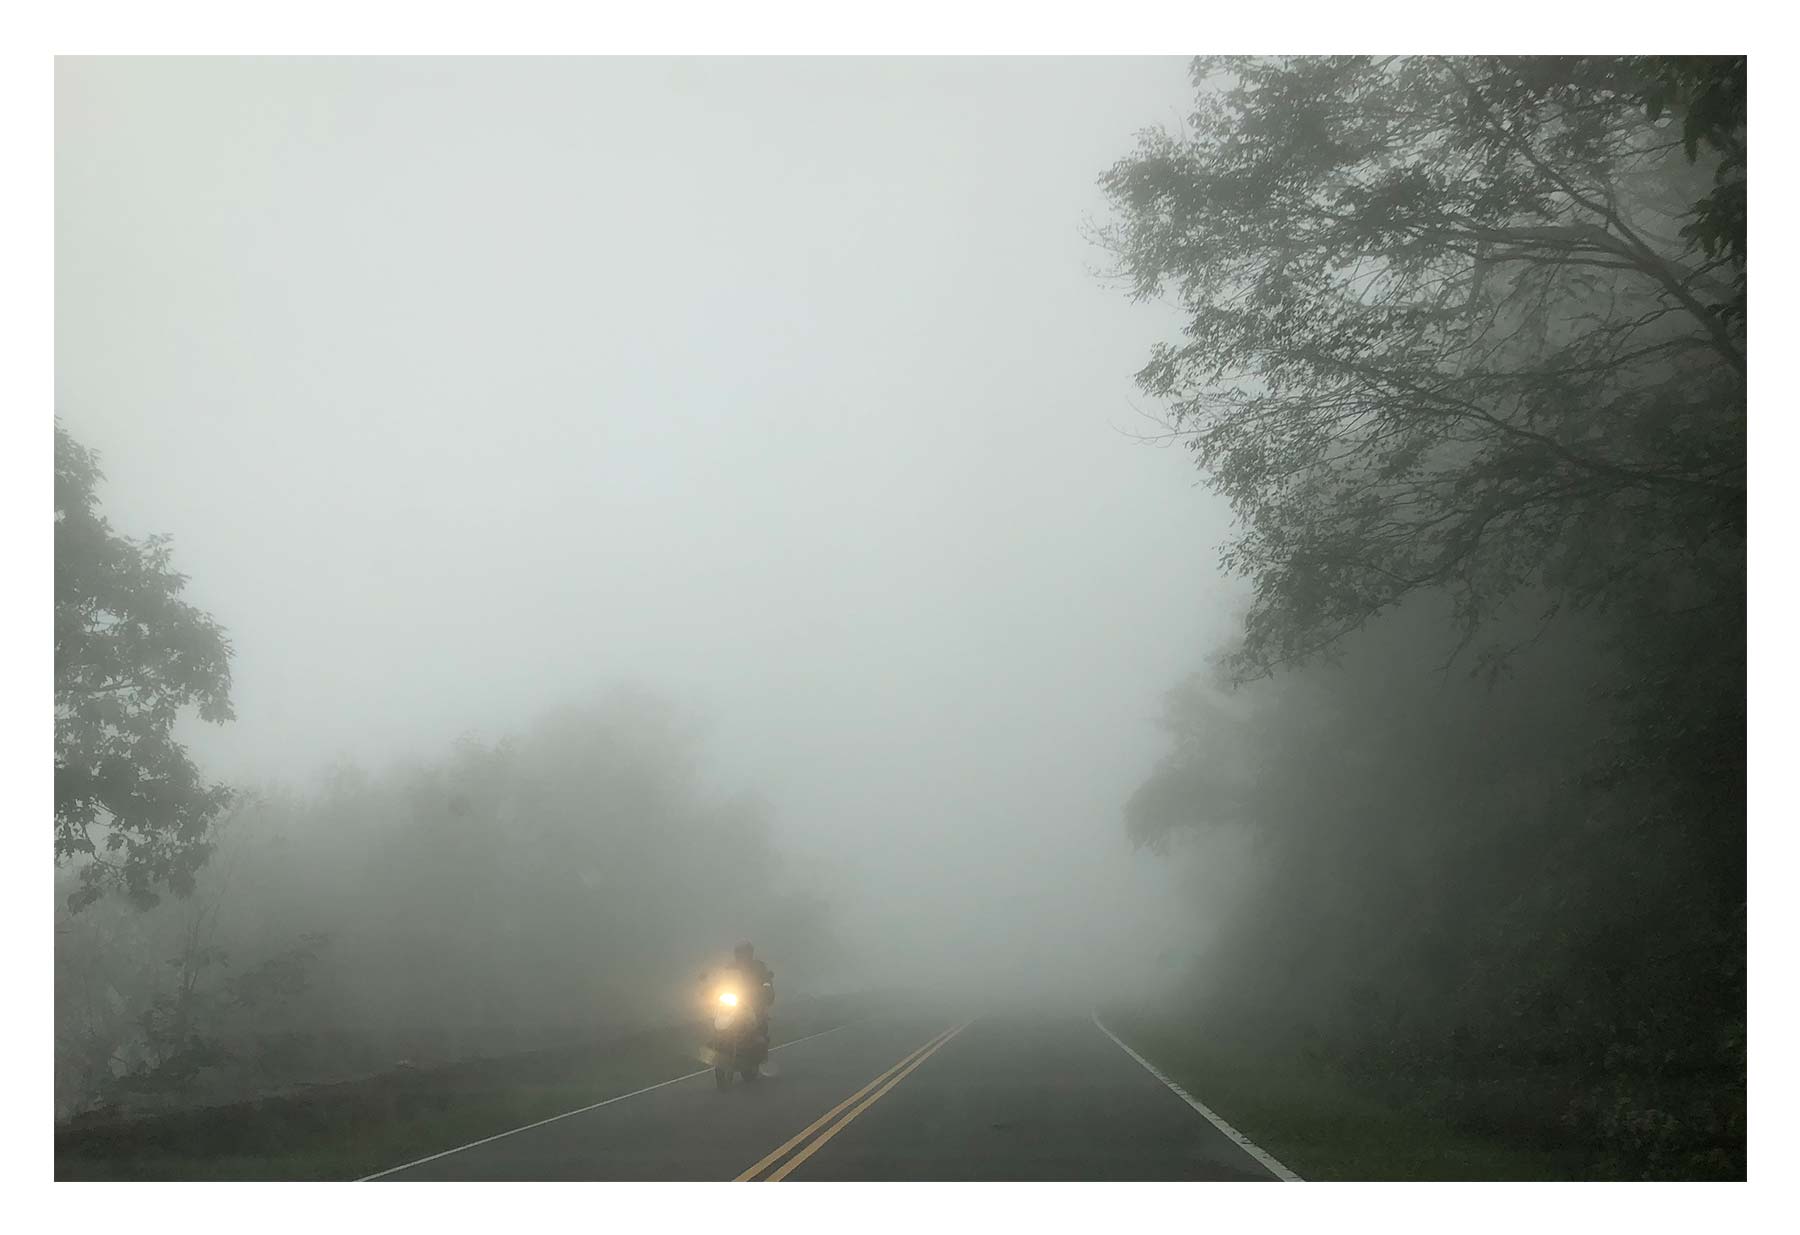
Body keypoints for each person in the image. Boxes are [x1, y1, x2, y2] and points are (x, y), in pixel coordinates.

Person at [724, 941, 774, 1040]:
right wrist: (709, 987)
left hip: (754, 1001)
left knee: (759, 1022)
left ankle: (760, 1038)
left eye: (744, 953)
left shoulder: (759, 967)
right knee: (718, 1017)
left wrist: (765, 989)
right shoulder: (730, 968)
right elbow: (720, 980)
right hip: (734, 1001)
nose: (742, 956)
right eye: (739, 953)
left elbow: (766, 981)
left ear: (750, 954)